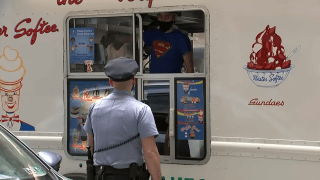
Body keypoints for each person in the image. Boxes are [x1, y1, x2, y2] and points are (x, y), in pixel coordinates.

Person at [83, 57, 162, 180]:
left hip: (101, 175)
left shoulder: (94, 108)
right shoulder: (141, 110)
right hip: (129, 175)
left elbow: (90, 144)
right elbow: (150, 153)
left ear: (110, 82)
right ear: (134, 81)